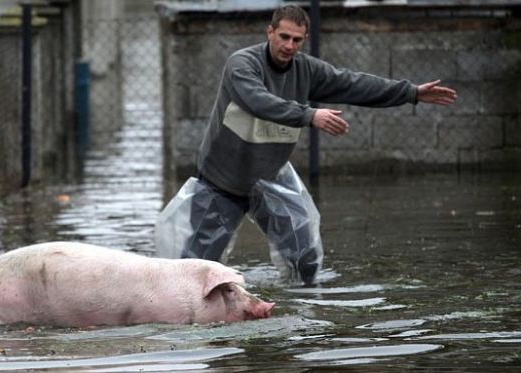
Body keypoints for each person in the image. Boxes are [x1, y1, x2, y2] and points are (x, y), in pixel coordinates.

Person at [156, 5, 457, 285]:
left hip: (269, 178)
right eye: (284, 37)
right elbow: (259, 102)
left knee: (306, 260)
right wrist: (310, 115)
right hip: (222, 181)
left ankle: (299, 324)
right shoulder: (242, 64)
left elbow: (353, 84)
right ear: (270, 32)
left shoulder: (307, 70)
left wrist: (411, 93)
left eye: (297, 40)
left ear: (304, 40)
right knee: (193, 272)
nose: (289, 46)